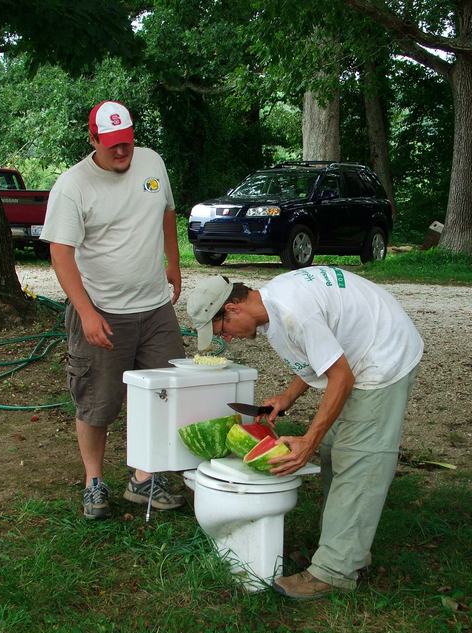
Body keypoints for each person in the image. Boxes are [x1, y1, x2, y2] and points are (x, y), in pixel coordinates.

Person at [186, 269, 423, 599]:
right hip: (356, 356)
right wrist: (288, 397)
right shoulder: (271, 311)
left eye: (222, 329)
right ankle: (342, 549)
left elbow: (341, 377)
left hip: (383, 355)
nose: (227, 338)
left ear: (233, 308)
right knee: (334, 451)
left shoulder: (293, 311)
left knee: (359, 460)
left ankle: (334, 571)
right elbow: (318, 359)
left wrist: (308, 441)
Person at [40, 100, 186, 519]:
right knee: (97, 402)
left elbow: (167, 212)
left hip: (156, 308)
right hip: (103, 311)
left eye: (127, 143)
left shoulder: (152, 163)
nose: (122, 152)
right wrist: (85, 312)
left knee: (162, 393)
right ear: (93, 140)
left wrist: (173, 262)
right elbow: (61, 253)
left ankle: (144, 479)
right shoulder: (73, 186)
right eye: (112, 146)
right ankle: (94, 483)